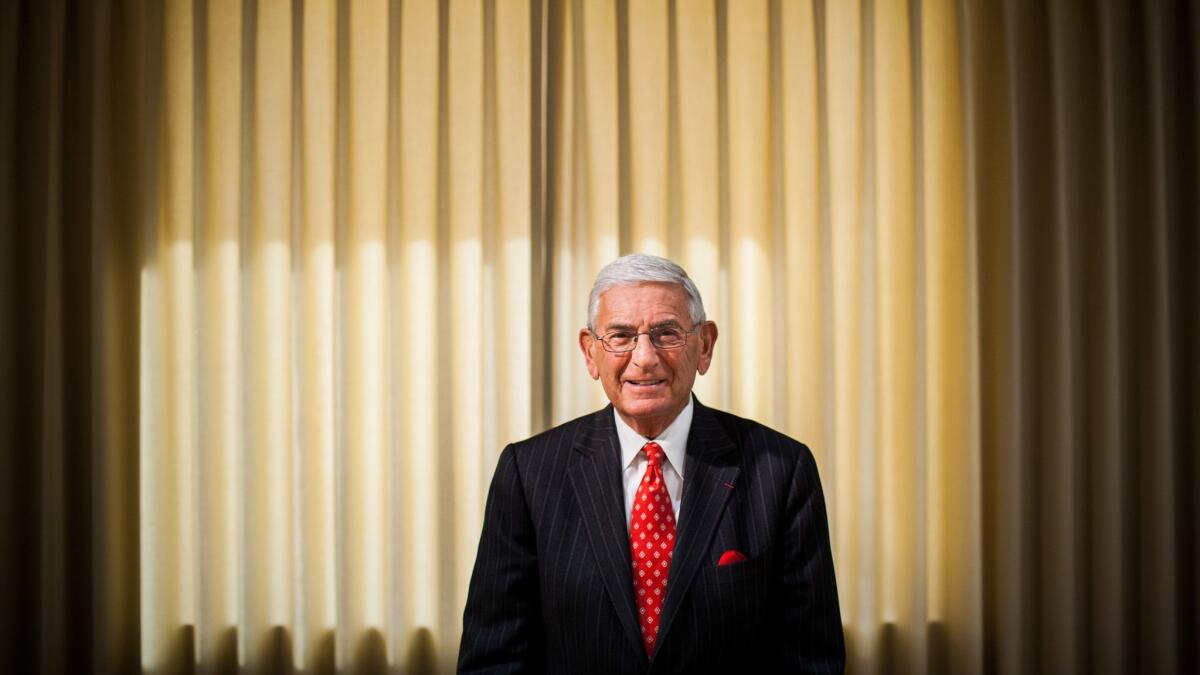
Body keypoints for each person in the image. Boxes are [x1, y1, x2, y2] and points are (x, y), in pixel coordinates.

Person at [459, 254, 844, 674]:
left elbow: (811, 659)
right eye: (621, 336)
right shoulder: (528, 473)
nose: (644, 357)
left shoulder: (782, 470)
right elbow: (494, 658)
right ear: (590, 353)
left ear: (705, 345)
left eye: (666, 333)